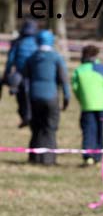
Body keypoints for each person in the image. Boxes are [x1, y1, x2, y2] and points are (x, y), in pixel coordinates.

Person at [22, 30, 70, 165]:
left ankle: (34, 158)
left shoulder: (31, 58)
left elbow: (24, 79)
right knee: (50, 128)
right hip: (51, 97)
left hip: (34, 97)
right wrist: (66, 97)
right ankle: (48, 159)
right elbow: (64, 79)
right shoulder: (56, 58)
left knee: (36, 127)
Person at [72, 45, 103, 165]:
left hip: (87, 105)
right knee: (100, 130)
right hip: (102, 104)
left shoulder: (79, 70)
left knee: (88, 130)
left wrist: (82, 99)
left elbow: (76, 88)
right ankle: (98, 155)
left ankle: (88, 156)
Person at [2, 20, 39, 127]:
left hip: (19, 74)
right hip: (33, 74)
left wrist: (7, 72)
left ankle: (24, 115)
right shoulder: (37, 41)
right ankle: (31, 116)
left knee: (21, 96)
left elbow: (10, 59)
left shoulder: (17, 42)